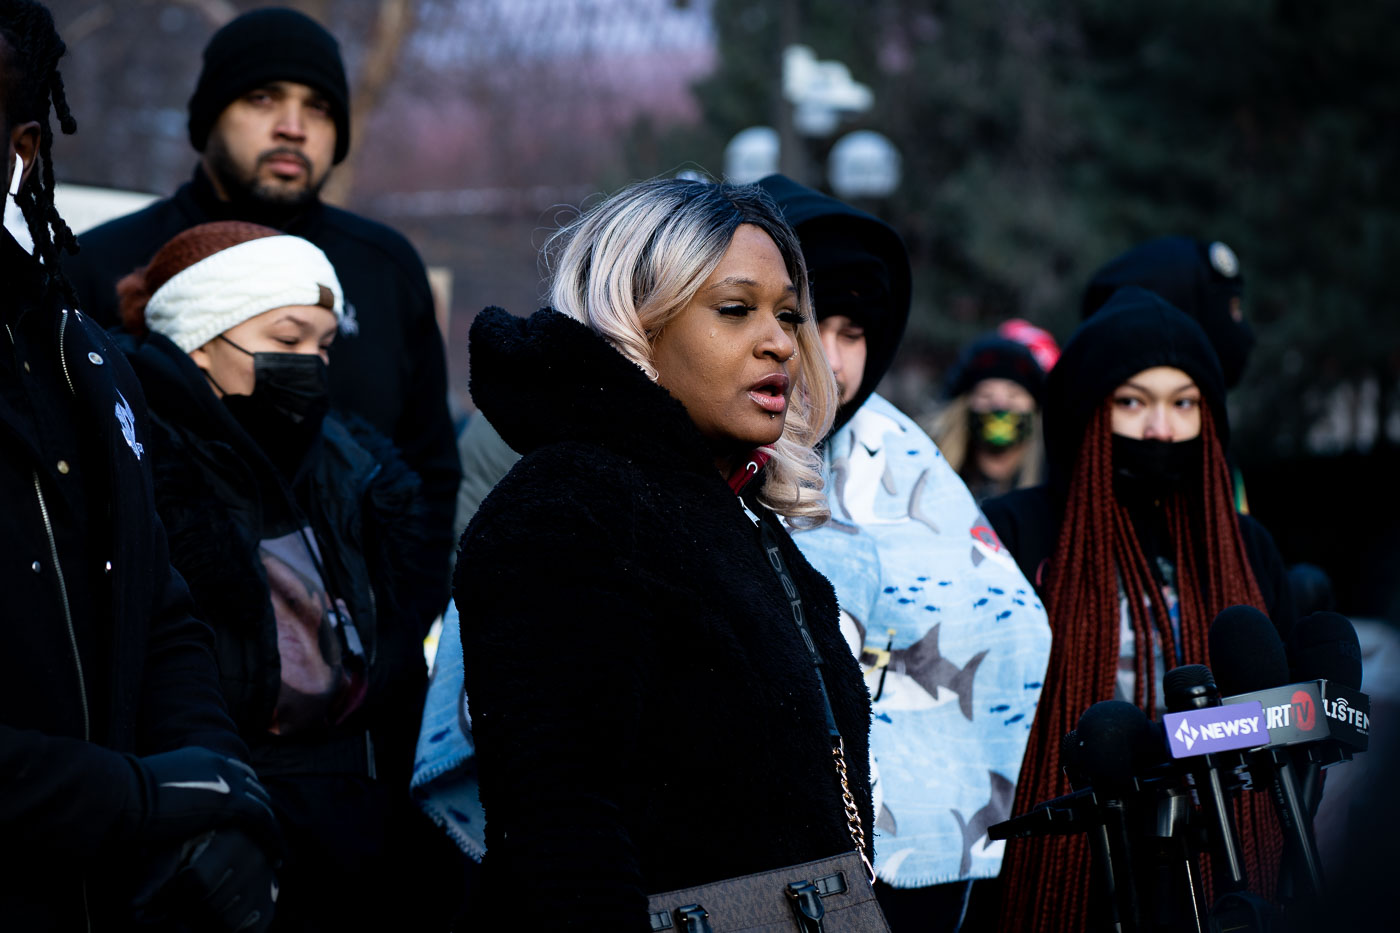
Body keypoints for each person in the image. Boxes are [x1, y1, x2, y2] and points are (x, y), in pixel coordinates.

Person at [454, 178, 876, 929]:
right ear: (636, 324)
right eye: (736, 309)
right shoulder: (567, 508)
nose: (780, 340)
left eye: (787, 314)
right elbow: (562, 839)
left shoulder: (746, 522)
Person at [0, 4, 278, 929]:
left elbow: (157, 605)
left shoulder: (82, 358)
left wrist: (216, 791)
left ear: (21, 148)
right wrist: (136, 798)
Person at [111, 220, 461, 930]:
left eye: (324, 346)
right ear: (203, 341)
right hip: (223, 852)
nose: (313, 364)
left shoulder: (352, 470)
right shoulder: (139, 467)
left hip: (360, 843)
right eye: (288, 339)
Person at [64, 6, 459, 605]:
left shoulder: (385, 269)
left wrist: (393, 644)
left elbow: (431, 473)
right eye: (262, 98)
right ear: (209, 115)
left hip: (362, 665)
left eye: (318, 107)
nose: (293, 127)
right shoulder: (98, 264)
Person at [758, 173, 1051, 932]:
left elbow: (1006, 630)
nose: (831, 360)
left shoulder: (898, 460)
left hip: (899, 879)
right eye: (809, 321)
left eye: (853, 335)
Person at [981, 287, 1295, 932]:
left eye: (1184, 404)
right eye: (1133, 402)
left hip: (1224, 866)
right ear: (1087, 412)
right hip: (1069, 864)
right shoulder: (1019, 530)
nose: (1160, 430)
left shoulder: (1246, 547)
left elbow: (1282, 713)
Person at [930, 332, 1050, 502]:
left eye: (1013, 395)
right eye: (986, 395)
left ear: (1035, 409)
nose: (1000, 405)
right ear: (964, 408)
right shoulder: (930, 477)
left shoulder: (1054, 483)